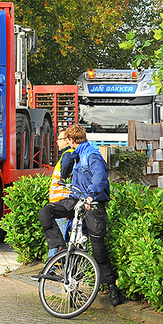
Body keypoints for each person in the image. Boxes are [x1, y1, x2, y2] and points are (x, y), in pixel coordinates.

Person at [38, 124, 122, 306]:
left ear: (71, 140)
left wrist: (90, 195)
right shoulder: (75, 156)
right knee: (47, 212)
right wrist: (67, 160)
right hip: (75, 201)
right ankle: (58, 247)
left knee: (97, 248)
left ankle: (112, 288)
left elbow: (100, 177)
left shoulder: (91, 154)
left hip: (92, 205)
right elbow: (68, 177)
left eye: (66, 140)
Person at [42, 128, 75, 260]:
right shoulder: (69, 154)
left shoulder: (68, 154)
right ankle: (56, 265)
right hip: (63, 201)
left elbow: (65, 170)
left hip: (61, 201)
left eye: (60, 139)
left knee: (57, 238)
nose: (57, 141)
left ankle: (51, 267)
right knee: (60, 237)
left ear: (67, 141)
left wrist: (64, 177)